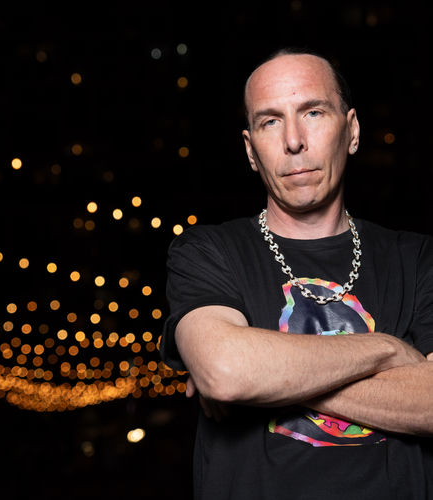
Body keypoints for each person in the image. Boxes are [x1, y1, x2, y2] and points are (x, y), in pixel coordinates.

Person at [160, 47, 433, 500]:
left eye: (313, 112)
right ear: (250, 150)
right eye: (270, 121)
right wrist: (388, 351)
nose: (293, 140)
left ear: (352, 131)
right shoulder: (208, 250)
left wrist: (262, 380)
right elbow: (225, 370)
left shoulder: (418, 258)